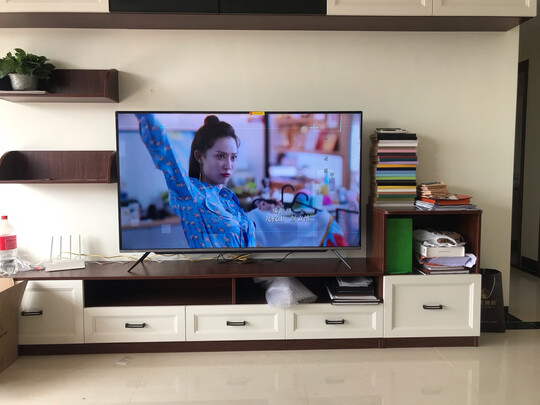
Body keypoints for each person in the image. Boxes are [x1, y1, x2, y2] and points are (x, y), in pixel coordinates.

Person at [136, 113, 256, 249]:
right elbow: (166, 156)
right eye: (220, 156)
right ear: (199, 156)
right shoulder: (192, 195)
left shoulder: (228, 198)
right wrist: (144, 113)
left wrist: (260, 206)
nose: (228, 165)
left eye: (233, 157)